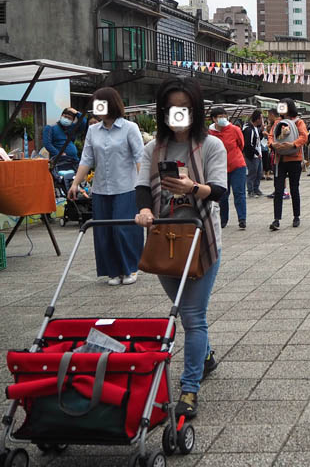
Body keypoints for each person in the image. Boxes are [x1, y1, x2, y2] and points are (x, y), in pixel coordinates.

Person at [134, 77, 226, 420]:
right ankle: (204, 356)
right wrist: (144, 211)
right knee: (185, 311)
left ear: (196, 110)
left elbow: (219, 191)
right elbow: (142, 187)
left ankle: (189, 390)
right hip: (163, 239)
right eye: (172, 108)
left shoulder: (211, 146)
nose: (178, 114)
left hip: (202, 239)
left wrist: (192, 187)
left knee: (191, 315)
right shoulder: (153, 148)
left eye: (184, 108)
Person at [67, 88, 144, 285]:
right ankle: (113, 271)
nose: (97, 109)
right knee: (104, 230)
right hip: (101, 188)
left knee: (124, 228)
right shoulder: (93, 130)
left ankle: (131, 268)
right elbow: (87, 159)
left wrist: (144, 185)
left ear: (111, 104)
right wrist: (75, 183)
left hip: (127, 186)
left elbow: (139, 158)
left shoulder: (130, 128)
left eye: (100, 104)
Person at [269, 99, 307, 230]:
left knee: (294, 188)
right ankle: (276, 219)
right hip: (279, 160)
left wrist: (293, 144)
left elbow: (304, 136)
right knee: (278, 190)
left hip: (294, 159)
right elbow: (270, 135)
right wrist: (272, 144)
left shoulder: (299, 122)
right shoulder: (277, 122)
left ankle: (296, 216)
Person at [208, 106, 247, 230]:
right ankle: (223, 219)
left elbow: (241, 145)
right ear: (214, 119)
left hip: (237, 165)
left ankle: (242, 219)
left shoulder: (234, 129)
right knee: (223, 194)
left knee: (239, 193)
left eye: (224, 116)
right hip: (220, 168)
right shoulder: (210, 133)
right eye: (220, 117)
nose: (223, 119)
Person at [243, 110, 264, 197]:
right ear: (257, 119)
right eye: (261, 118)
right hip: (252, 156)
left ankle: (256, 189)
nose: (262, 121)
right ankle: (250, 191)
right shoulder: (249, 129)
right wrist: (256, 152)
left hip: (258, 155)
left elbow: (258, 140)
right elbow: (248, 144)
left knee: (259, 173)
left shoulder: (255, 128)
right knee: (252, 173)